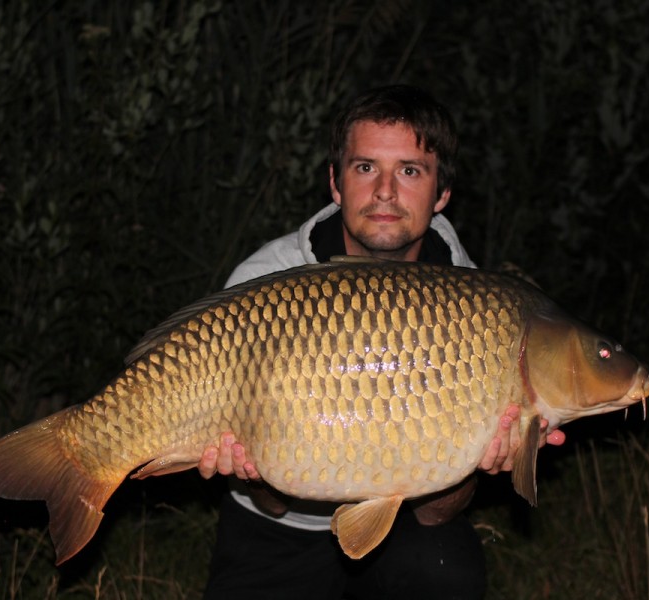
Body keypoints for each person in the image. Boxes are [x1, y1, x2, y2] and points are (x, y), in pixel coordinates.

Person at [197, 84, 565, 599]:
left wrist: (476, 457)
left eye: (410, 171)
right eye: (366, 167)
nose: (386, 191)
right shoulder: (266, 281)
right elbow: (273, 503)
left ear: (442, 193)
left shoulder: (480, 307)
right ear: (335, 182)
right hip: (278, 525)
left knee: (444, 576)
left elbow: (437, 510)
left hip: (409, 526)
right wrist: (252, 469)